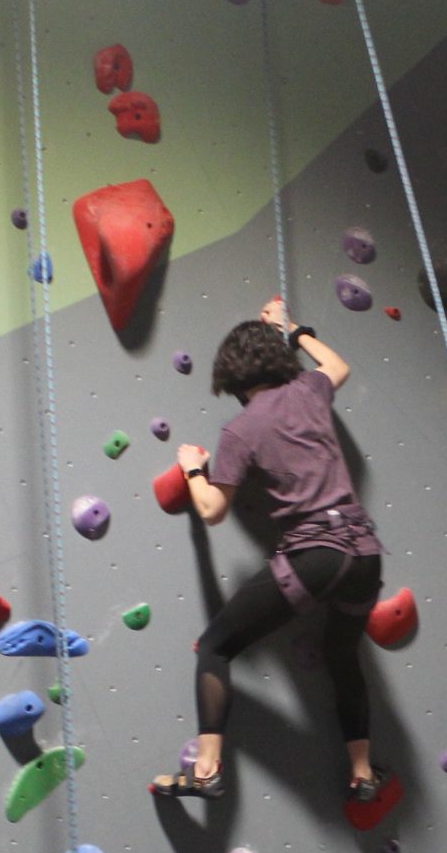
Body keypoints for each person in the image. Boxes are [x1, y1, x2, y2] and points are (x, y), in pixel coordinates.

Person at [150, 297, 388, 806]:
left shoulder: (242, 428)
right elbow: (337, 365)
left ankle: (208, 770)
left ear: (232, 381)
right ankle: (363, 772)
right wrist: (289, 327)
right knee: (343, 654)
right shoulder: (309, 389)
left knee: (216, 646)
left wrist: (193, 467)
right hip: (365, 552)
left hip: (316, 554)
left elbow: (213, 509)